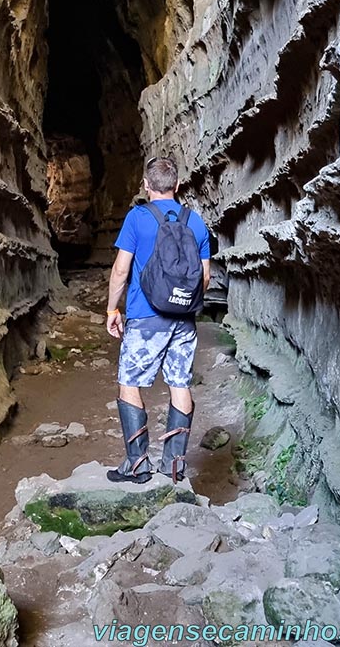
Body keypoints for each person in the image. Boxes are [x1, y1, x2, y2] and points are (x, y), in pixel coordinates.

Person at [105, 155, 210, 484]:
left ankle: (137, 465)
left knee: (130, 382)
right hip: (183, 319)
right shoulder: (196, 222)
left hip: (146, 317)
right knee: (179, 383)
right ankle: (174, 466)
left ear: (147, 186)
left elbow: (121, 270)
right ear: (177, 186)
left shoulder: (137, 218)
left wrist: (112, 309)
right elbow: (204, 279)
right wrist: (182, 303)